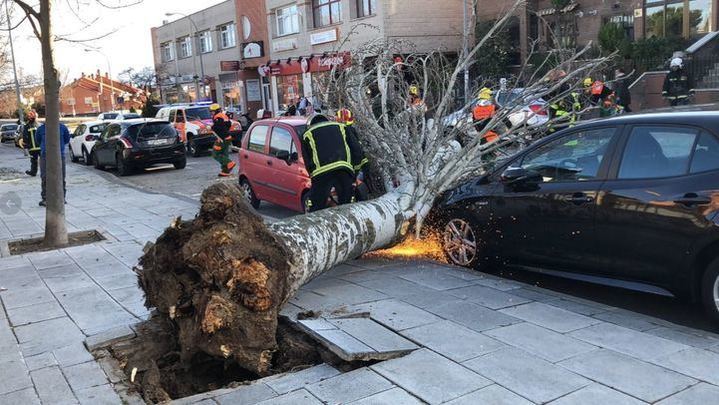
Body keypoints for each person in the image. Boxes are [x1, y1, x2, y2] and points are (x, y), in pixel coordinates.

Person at [301, 114, 366, 212]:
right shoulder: (341, 127)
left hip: (321, 173)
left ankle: (319, 224)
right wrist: (354, 173)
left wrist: (314, 178)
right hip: (343, 169)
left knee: (316, 207)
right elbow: (357, 150)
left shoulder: (306, 134)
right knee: (347, 206)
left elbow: (307, 160)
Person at [37, 121, 71, 207]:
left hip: (59, 155)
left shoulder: (62, 128)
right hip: (45, 155)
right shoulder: (41, 129)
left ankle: (62, 198)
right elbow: (38, 140)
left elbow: (67, 139)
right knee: (45, 177)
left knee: (61, 176)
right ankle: (45, 198)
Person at [210, 103, 236, 177]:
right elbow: (229, 124)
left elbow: (219, 127)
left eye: (212, 111)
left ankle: (229, 163)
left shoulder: (218, 117)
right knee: (224, 154)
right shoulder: (224, 116)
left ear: (216, 111)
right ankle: (225, 171)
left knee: (216, 154)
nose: (211, 113)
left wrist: (212, 127)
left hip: (222, 139)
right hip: (227, 137)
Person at [21, 110, 40, 176]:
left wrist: (25, 146)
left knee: (34, 161)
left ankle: (33, 172)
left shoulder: (27, 126)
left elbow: (25, 137)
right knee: (44, 160)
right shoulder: (39, 125)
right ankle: (46, 171)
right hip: (40, 147)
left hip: (32, 148)